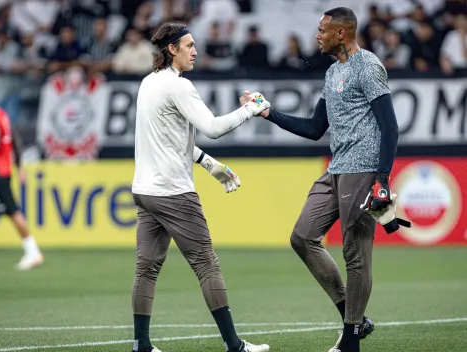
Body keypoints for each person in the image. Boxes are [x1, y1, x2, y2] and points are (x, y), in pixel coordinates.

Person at [241, 7, 400, 352]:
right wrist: (268, 112)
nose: (317, 35)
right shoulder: (332, 73)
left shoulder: (369, 67)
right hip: (336, 167)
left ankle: (351, 340)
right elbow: (315, 129)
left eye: (322, 30)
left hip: (363, 168)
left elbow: (389, 126)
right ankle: (352, 315)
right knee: (302, 237)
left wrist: (383, 178)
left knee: (355, 254)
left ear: (341, 33)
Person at [130, 22, 271, 352]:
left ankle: (142, 345)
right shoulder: (180, 87)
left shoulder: (148, 84)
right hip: (174, 193)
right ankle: (234, 345)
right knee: (207, 264)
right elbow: (212, 128)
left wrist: (209, 164)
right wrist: (252, 107)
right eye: (189, 45)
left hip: (145, 191)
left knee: (146, 270)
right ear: (172, 50)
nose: (195, 51)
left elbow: (171, 139)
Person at [0, 107, 44, 270]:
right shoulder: (2, 114)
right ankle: (32, 250)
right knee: (12, 211)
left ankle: (33, 251)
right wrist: (18, 166)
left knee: (12, 211)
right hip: (4, 170)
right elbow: (14, 140)